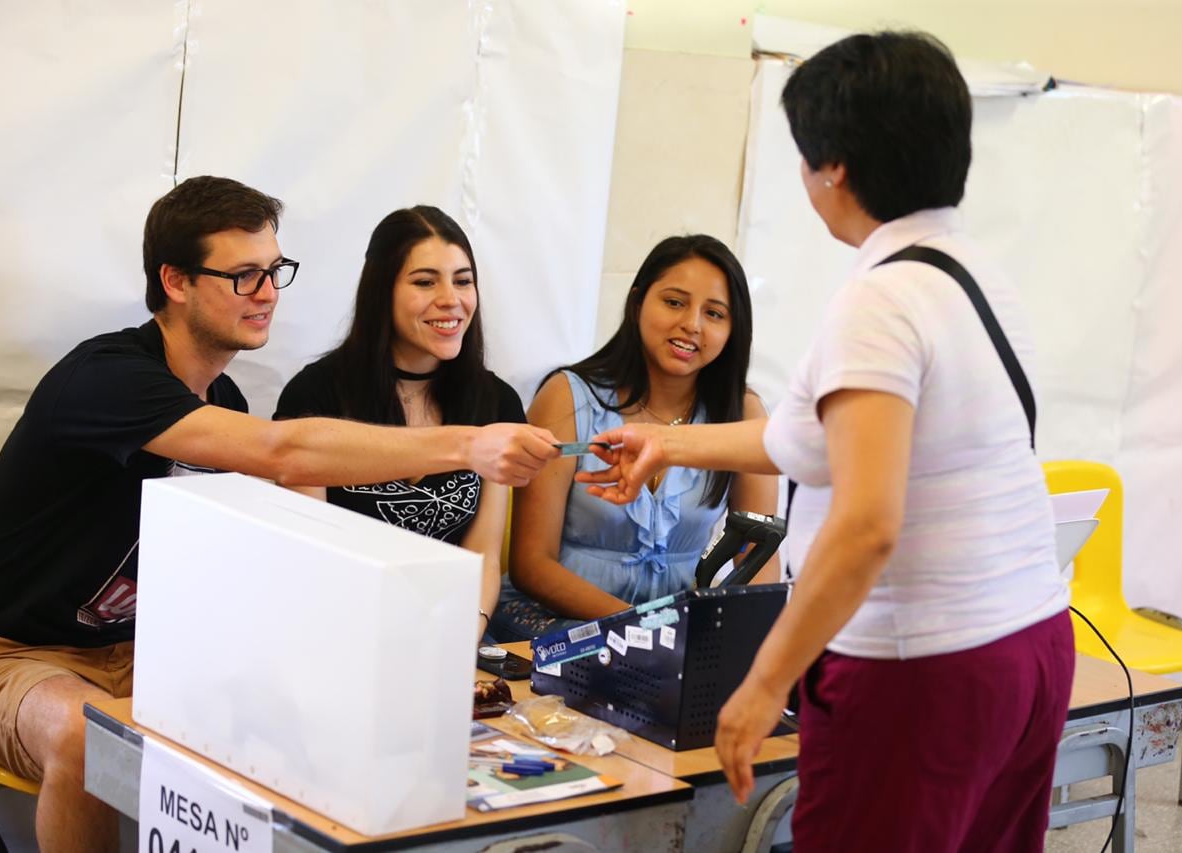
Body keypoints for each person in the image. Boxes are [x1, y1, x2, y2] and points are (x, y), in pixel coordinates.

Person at [0, 177, 557, 852]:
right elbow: (285, 451)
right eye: (243, 276)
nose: (268, 293)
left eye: (274, 271)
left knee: (309, 722)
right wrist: (470, 443)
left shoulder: (228, 395)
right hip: (10, 656)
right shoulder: (105, 377)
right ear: (174, 280)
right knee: (85, 733)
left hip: (155, 651)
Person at [579, 33, 1073, 853]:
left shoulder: (878, 303)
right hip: (1028, 645)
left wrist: (764, 679)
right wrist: (670, 446)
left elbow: (868, 520)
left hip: (923, 667)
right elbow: (804, 436)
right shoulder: (974, 276)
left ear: (834, 166)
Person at [491, 235, 778, 643]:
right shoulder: (567, 397)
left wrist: (737, 640)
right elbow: (531, 564)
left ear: (734, 330)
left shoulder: (744, 414)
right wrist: (646, 627)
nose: (692, 324)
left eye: (714, 313)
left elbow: (760, 557)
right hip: (560, 624)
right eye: (675, 302)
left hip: (675, 639)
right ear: (637, 301)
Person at [275, 206, 524, 641]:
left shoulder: (496, 401)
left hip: (452, 631)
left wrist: (466, 633)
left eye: (463, 281)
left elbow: (484, 554)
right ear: (381, 291)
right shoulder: (314, 395)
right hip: (336, 629)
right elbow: (305, 556)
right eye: (425, 281)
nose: (451, 299)